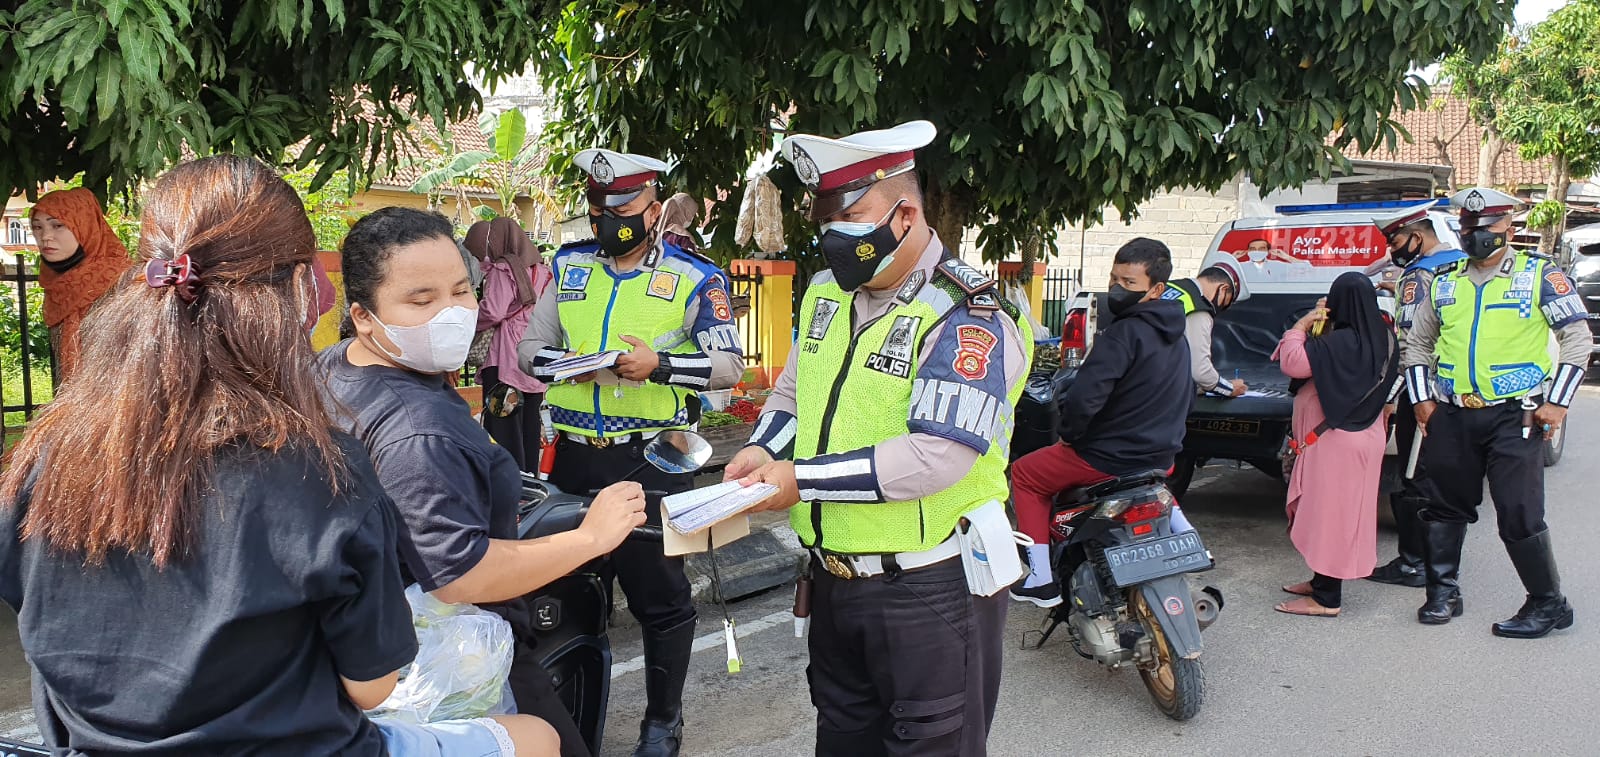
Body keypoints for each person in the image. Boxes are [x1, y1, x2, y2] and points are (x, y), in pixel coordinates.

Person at [0, 156, 557, 756]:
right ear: (299, 292)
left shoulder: (47, 457)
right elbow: (372, 688)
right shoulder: (324, 470)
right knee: (535, 737)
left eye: (459, 292)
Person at [725, 120, 1031, 756]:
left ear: (905, 213)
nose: (834, 239)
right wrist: (766, 449)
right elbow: (792, 395)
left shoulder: (967, 312)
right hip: (834, 581)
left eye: (852, 217)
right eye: (825, 223)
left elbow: (935, 457)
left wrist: (799, 480)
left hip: (930, 589)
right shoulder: (825, 295)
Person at [319, 206, 648, 757]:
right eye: (421, 300)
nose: (451, 312)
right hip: (455, 654)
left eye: (460, 290)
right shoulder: (416, 431)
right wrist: (590, 539)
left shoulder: (333, 368)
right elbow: (459, 573)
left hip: (366, 651)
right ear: (364, 314)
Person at [518, 149, 743, 757]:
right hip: (572, 459)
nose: (609, 222)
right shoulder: (567, 267)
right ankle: (569, 716)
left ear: (653, 209)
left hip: (651, 462)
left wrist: (660, 365)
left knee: (659, 597)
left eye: (623, 210)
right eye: (598, 211)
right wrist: (559, 365)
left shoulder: (699, 276)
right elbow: (529, 348)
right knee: (563, 593)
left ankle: (661, 723)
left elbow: (728, 367)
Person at [1403, 187, 1589, 637]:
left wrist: (1557, 402)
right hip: (1452, 413)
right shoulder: (1446, 281)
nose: (1475, 236)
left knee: (1519, 512)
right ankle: (1443, 592)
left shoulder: (1539, 275)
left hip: (1516, 416)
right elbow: (1417, 344)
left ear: (1508, 228)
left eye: (1485, 228)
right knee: (1443, 505)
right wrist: (1423, 400)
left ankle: (1548, 604)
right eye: (1468, 229)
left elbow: (1578, 339)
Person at [1007, 238, 1194, 607]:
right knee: (1155, 485)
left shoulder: (1123, 334)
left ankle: (1040, 580)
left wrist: (1070, 437)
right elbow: (1188, 396)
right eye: (1114, 280)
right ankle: (1185, 534)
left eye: (1129, 283)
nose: (1117, 290)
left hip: (1107, 458)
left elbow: (1084, 400)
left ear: (1156, 289)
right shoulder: (1179, 337)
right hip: (1162, 456)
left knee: (1025, 475)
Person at [1272, 272, 1400, 617]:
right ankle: (1320, 581)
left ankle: (1327, 598)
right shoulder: (1383, 336)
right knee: (1337, 515)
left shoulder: (1341, 341)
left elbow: (1294, 363)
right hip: (1361, 437)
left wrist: (1302, 324)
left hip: (1336, 442)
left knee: (1331, 518)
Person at [1364, 204, 1465, 588]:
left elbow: (1411, 345)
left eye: (1395, 240)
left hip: (1422, 391)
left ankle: (1414, 563)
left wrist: (1393, 393)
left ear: (1417, 237)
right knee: (1444, 480)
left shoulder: (1418, 274)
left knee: (1415, 477)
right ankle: (1438, 563)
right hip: (1459, 392)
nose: (1393, 250)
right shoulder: (1463, 266)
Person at [466, 217, 554, 472]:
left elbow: (493, 311)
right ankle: (531, 487)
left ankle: (511, 488)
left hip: (505, 361)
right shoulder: (544, 272)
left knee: (503, 429)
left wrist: (468, 323)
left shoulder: (503, 270)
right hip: (533, 357)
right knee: (529, 429)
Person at [27, 187, 129, 381]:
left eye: (57, 225)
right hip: (75, 404)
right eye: (37, 227)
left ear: (85, 226)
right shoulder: (56, 287)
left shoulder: (123, 282)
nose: (45, 236)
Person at [1160, 256, 1251, 396]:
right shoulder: (1198, 309)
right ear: (1223, 289)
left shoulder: (1170, 286)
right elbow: (1200, 371)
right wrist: (1229, 388)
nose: (1223, 308)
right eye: (1227, 302)